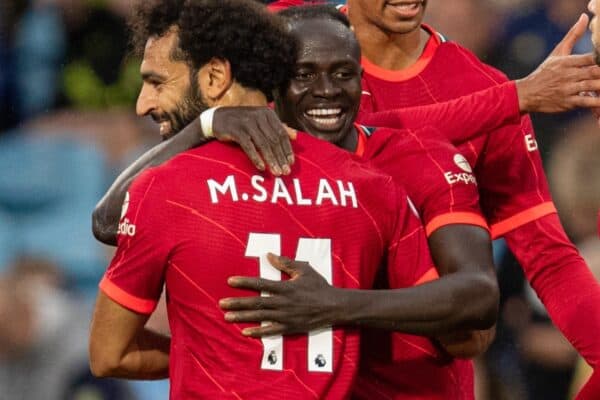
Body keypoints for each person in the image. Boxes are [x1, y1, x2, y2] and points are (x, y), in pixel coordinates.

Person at [88, 1, 447, 398]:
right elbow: (457, 331)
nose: (143, 104)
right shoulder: (372, 187)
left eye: (157, 82)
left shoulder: (166, 188)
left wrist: (214, 353)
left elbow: (109, 355)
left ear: (215, 77)